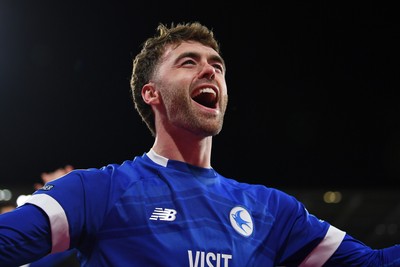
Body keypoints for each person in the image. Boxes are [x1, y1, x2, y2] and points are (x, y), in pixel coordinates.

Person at [0, 21, 399, 267]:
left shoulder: (273, 211)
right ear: (151, 93)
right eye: (189, 61)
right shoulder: (98, 192)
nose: (211, 69)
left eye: (218, 65)